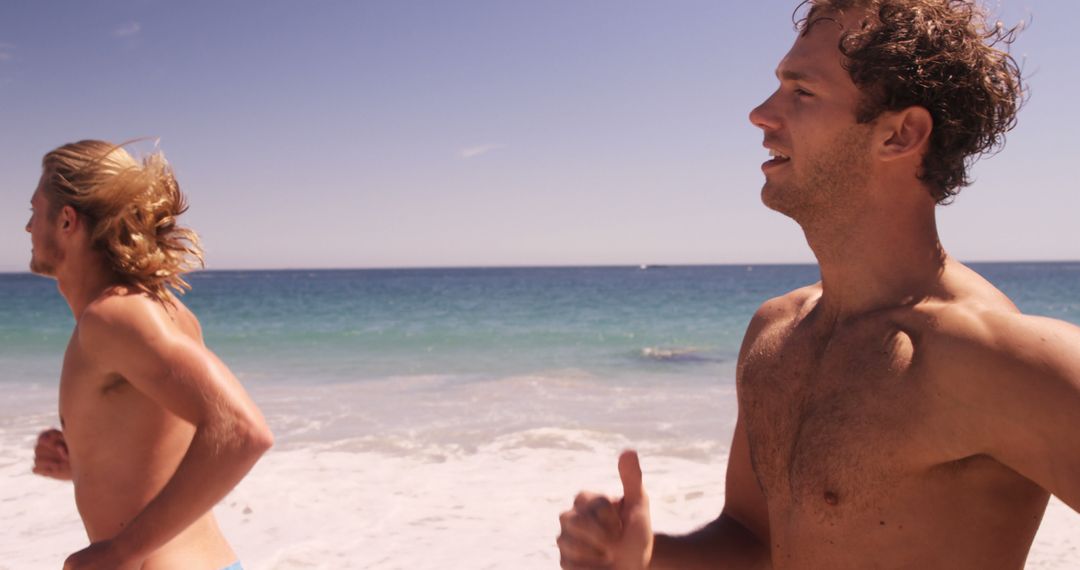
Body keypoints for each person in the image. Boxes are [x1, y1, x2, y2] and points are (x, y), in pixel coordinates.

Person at [557, 1, 1080, 568]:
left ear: (900, 134)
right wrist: (643, 553)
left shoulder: (997, 357)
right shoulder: (776, 334)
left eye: (801, 92)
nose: (760, 114)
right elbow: (756, 540)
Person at [27, 140, 273, 570]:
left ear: (67, 219)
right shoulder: (149, 309)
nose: (28, 227)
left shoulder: (115, 315)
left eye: (34, 211)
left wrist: (120, 551)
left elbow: (241, 431)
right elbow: (169, 445)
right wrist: (84, 461)